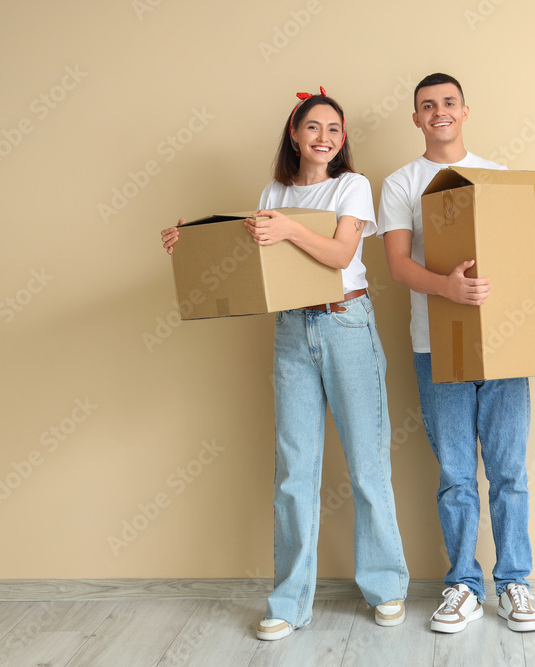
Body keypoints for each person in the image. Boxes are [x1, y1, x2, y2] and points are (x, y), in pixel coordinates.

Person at [377, 73, 535, 634]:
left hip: (506, 348)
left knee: (510, 472)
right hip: (435, 347)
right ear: (415, 119)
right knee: (456, 474)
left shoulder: (499, 180)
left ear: (465, 110)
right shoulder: (401, 184)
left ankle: (515, 582)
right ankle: (462, 584)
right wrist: (447, 288)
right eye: (426, 106)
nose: (438, 112)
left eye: (447, 103)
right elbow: (397, 266)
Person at [161, 87, 409, 641]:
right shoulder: (273, 189)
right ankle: (289, 601)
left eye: (335, 129)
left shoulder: (353, 186)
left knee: (368, 465)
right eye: (314, 127)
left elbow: (342, 255)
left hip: (346, 325)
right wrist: (189, 245)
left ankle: (387, 587)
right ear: (295, 135)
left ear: (342, 140)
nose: (326, 137)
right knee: (295, 471)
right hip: (293, 331)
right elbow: (251, 262)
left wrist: (290, 227)